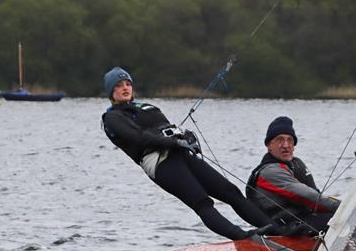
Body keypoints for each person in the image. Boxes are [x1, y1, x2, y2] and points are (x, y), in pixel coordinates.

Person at [101, 67, 272, 241]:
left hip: (179, 151)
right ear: (111, 92)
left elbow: (166, 128)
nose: (125, 88)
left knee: (230, 191)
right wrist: (172, 142)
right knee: (202, 202)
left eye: (128, 84)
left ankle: (277, 230)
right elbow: (139, 138)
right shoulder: (112, 118)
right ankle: (243, 237)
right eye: (118, 86)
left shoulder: (148, 108)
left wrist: (185, 136)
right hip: (160, 162)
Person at [247, 116, 340, 234]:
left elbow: (316, 194)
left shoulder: (296, 164)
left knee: (344, 218)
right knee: (342, 221)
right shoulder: (270, 172)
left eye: (290, 140)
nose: (286, 145)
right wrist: (343, 207)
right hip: (284, 229)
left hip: (303, 220)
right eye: (280, 140)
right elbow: (308, 196)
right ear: (269, 145)